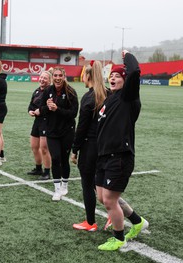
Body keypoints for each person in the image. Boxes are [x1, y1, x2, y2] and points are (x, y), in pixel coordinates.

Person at [96, 50, 149, 251]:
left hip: (119, 156)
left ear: (125, 81)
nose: (113, 79)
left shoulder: (128, 97)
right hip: (103, 156)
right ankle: (137, 221)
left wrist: (127, 55)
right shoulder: (111, 98)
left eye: (117, 76)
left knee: (109, 200)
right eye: (111, 76)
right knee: (103, 197)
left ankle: (119, 238)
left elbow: (135, 70)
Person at [70, 60, 108, 231]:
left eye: (84, 75)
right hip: (105, 147)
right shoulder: (108, 94)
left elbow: (82, 128)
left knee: (88, 184)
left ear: (88, 76)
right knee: (100, 184)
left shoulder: (88, 98)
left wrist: (75, 150)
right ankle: (115, 215)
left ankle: (91, 222)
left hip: (90, 147)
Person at [34, 67, 78, 201]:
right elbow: (41, 110)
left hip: (67, 131)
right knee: (56, 158)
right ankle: (57, 189)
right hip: (52, 131)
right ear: (53, 77)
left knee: (64, 159)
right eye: (55, 75)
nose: (58, 78)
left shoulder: (71, 92)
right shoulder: (48, 90)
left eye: (60, 75)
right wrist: (47, 107)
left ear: (64, 76)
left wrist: (57, 109)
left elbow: (73, 114)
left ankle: (65, 185)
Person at [27, 71, 52, 180]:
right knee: (34, 146)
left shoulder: (51, 92)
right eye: (41, 77)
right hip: (37, 122)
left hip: (46, 122)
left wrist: (40, 111)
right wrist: (30, 111)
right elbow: (31, 105)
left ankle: (47, 172)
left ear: (49, 81)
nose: (42, 79)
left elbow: (50, 108)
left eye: (45, 78)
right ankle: (38, 168)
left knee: (44, 149)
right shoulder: (37, 91)